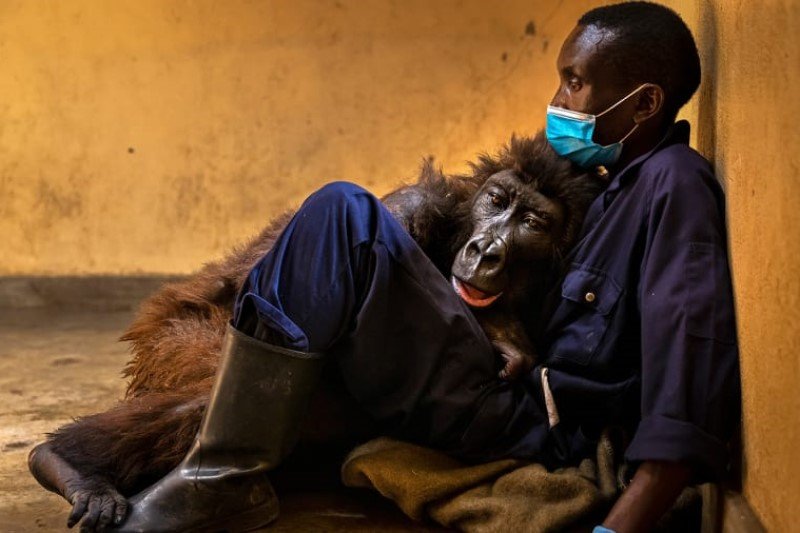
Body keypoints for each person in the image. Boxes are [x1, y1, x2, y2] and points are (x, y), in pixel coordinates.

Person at [107, 2, 741, 532]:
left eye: (574, 81)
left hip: (520, 420)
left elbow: (688, 358)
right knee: (349, 219)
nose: (559, 98)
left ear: (643, 103)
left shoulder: (672, 186)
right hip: (493, 378)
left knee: (342, 214)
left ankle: (224, 474)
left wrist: (616, 526)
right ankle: (224, 466)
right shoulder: (610, 183)